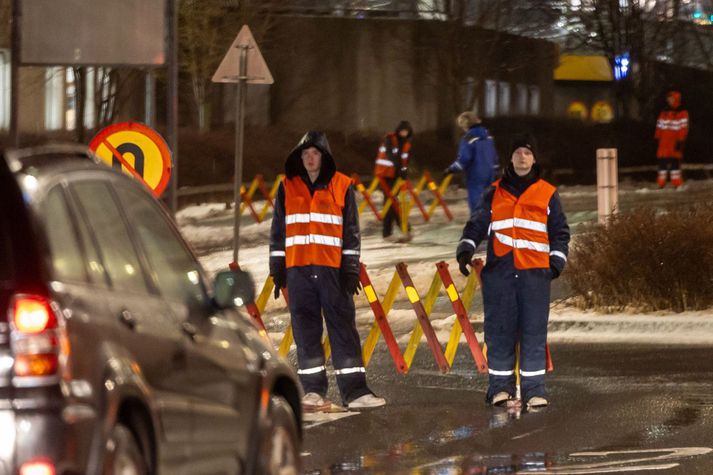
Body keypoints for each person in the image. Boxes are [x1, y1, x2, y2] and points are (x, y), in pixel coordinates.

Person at [269, 131, 386, 411]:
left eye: (315, 153)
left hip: (332, 271)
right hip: (298, 271)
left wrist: (350, 269)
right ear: (300, 157)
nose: (310, 158)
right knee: (305, 332)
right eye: (305, 154)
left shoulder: (342, 185)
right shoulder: (287, 187)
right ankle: (312, 391)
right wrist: (277, 268)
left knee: (343, 329)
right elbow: (278, 232)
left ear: (324, 156)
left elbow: (351, 232)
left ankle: (355, 392)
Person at [455, 134, 570, 409]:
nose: (522, 157)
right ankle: (500, 389)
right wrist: (465, 250)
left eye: (527, 153)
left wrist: (555, 264)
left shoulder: (547, 193)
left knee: (533, 332)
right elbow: (477, 225)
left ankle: (534, 390)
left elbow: (560, 233)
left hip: (534, 274)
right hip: (500, 274)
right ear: (510, 158)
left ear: (534, 158)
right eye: (517, 152)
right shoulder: (493, 192)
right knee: (499, 333)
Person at [444, 112, 499, 213]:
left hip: (475, 175)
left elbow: (464, 159)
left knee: (476, 204)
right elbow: (494, 156)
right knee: (489, 203)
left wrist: (451, 169)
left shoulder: (468, 138)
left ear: (465, 125)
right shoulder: (488, 136)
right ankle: (489, 225)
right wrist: (496, 171)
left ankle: (478, 226)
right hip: (490, 174)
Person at [373, 120, 413, 239]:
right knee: (390, 202)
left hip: (395, 175)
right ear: (398, 130)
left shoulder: (406, 143)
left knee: (392, 202)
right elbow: (391, 155)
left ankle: (397, 229)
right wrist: (399, 168)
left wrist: (404, 171)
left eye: (406, 131)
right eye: (402, 131)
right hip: (385, 175)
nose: (404, 133)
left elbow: (405, 160)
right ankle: (393, 230)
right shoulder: (390, 139)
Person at [655, 90, 689, 188]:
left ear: (676, 99)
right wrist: (657, 138)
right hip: (664, 143)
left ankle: (677, 184)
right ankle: (661, 184)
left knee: (674, 163)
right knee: (662, 163)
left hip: (674, 142)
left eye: (671, 98)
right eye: (668, 98)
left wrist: (681, 140)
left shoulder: (682, 112)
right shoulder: (664, 112)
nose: (669, 100)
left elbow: (683, 128)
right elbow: (659, 126)